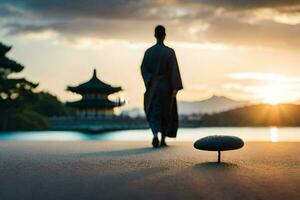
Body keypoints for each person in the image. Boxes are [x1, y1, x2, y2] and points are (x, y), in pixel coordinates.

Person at [141, 25, 183, 148]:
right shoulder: (169, 52)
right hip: (166, 86)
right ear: (164, 35)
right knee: (166, 111)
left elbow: (143, 68)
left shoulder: (149, 52)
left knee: (153, 110)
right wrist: (175, 87)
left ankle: (154, 135)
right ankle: (163, 139)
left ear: (155, 35)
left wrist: (149, 80)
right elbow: (174, 70)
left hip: (153, 86)